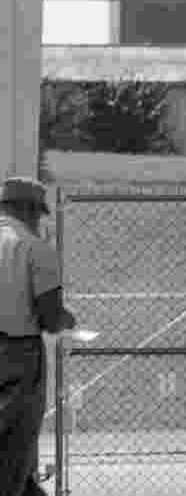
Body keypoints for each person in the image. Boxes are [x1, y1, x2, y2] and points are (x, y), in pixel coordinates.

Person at [0, 176, 76, 496]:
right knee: (15, 447)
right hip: (17, 357)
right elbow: (50, 319)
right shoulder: (35, 248)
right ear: (30, 209)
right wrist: (66, 318)